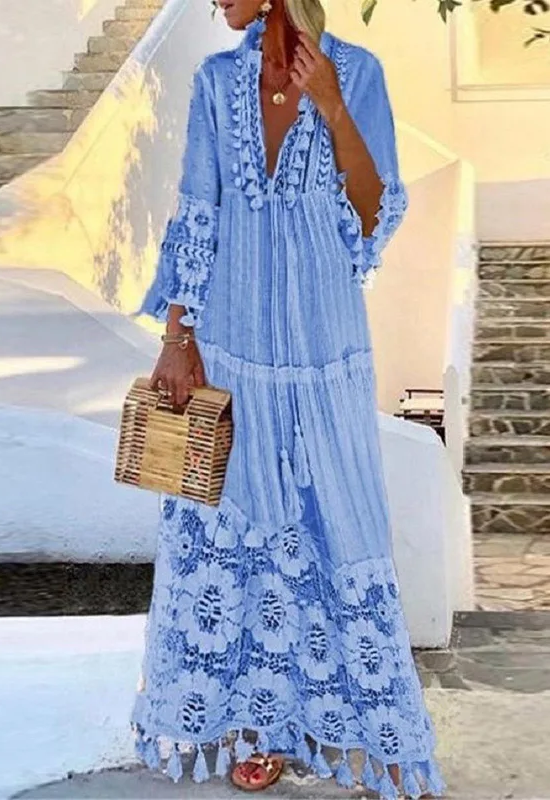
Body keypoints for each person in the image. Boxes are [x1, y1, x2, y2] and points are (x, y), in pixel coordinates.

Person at [129, 0, 445, 797]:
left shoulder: (358, 73)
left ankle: (356, 725)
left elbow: (374, 214)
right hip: (232, 344)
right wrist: (178, 335)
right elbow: (198, 210)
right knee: (239, 523)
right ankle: (256, 725)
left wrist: (332, 105)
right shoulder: (215, 82)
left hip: (326, 349)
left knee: (338, 524)